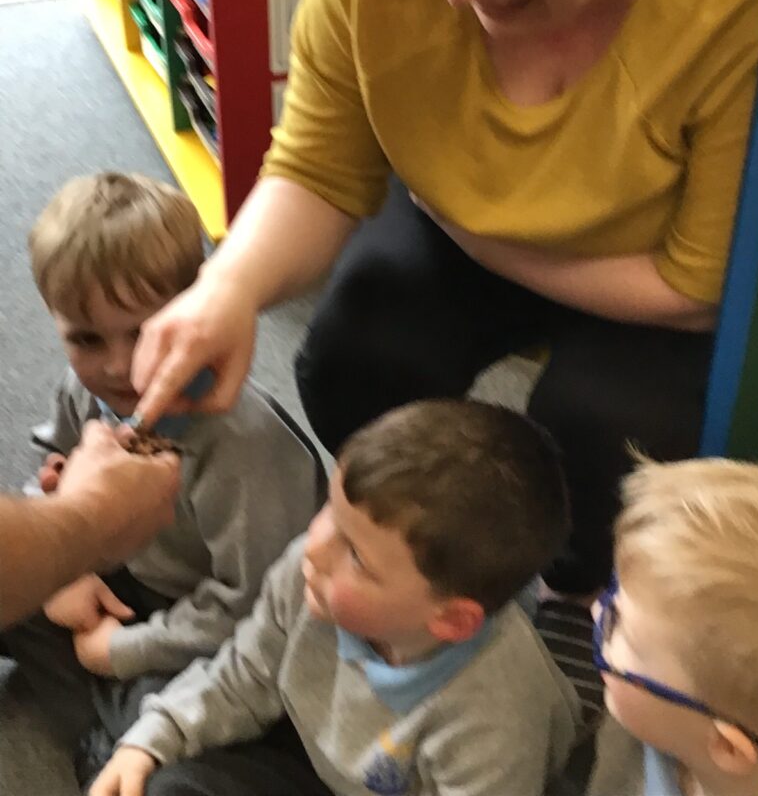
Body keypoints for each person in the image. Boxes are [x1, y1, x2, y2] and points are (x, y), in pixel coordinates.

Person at [129, 0, 758, 714]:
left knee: (606, 438)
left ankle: (574, 602)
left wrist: (472, 231)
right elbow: (317, 167)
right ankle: (426, 573)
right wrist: (227, 287)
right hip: (463, 216)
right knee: (355, 356)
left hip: (646, 273)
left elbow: (700, 286)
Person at [4, 172, 324, 783]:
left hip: (222, 631)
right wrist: (64, 572)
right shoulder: (83, 391)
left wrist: (120, 651)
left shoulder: (244, 448)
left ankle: (111, 735)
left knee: (182, 766)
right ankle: (114, 727)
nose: (118, 367)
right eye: (86, 339)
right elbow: (51, 479)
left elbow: (255, 610)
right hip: (130, 585)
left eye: (144, 332)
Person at [89, 399, 580, 796]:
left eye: (357, 556)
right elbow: (244, 676)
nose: (315, 547)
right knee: (158, 758)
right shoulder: (313, 576)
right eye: (331, 512)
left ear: (451, 621)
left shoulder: (495, 718)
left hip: (377, 768)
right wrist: (150, 743)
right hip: (310, 737)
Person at [593, 457, 758, 796]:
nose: (597, 610)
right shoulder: (647, 717)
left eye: (624, 632)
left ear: (726, 747)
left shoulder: (645, 715)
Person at [0, 421, 180, 629]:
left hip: (173, 610)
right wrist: (69, 569)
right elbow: (53, 456)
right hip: (87, 568)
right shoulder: (87, 406)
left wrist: (115, 645)